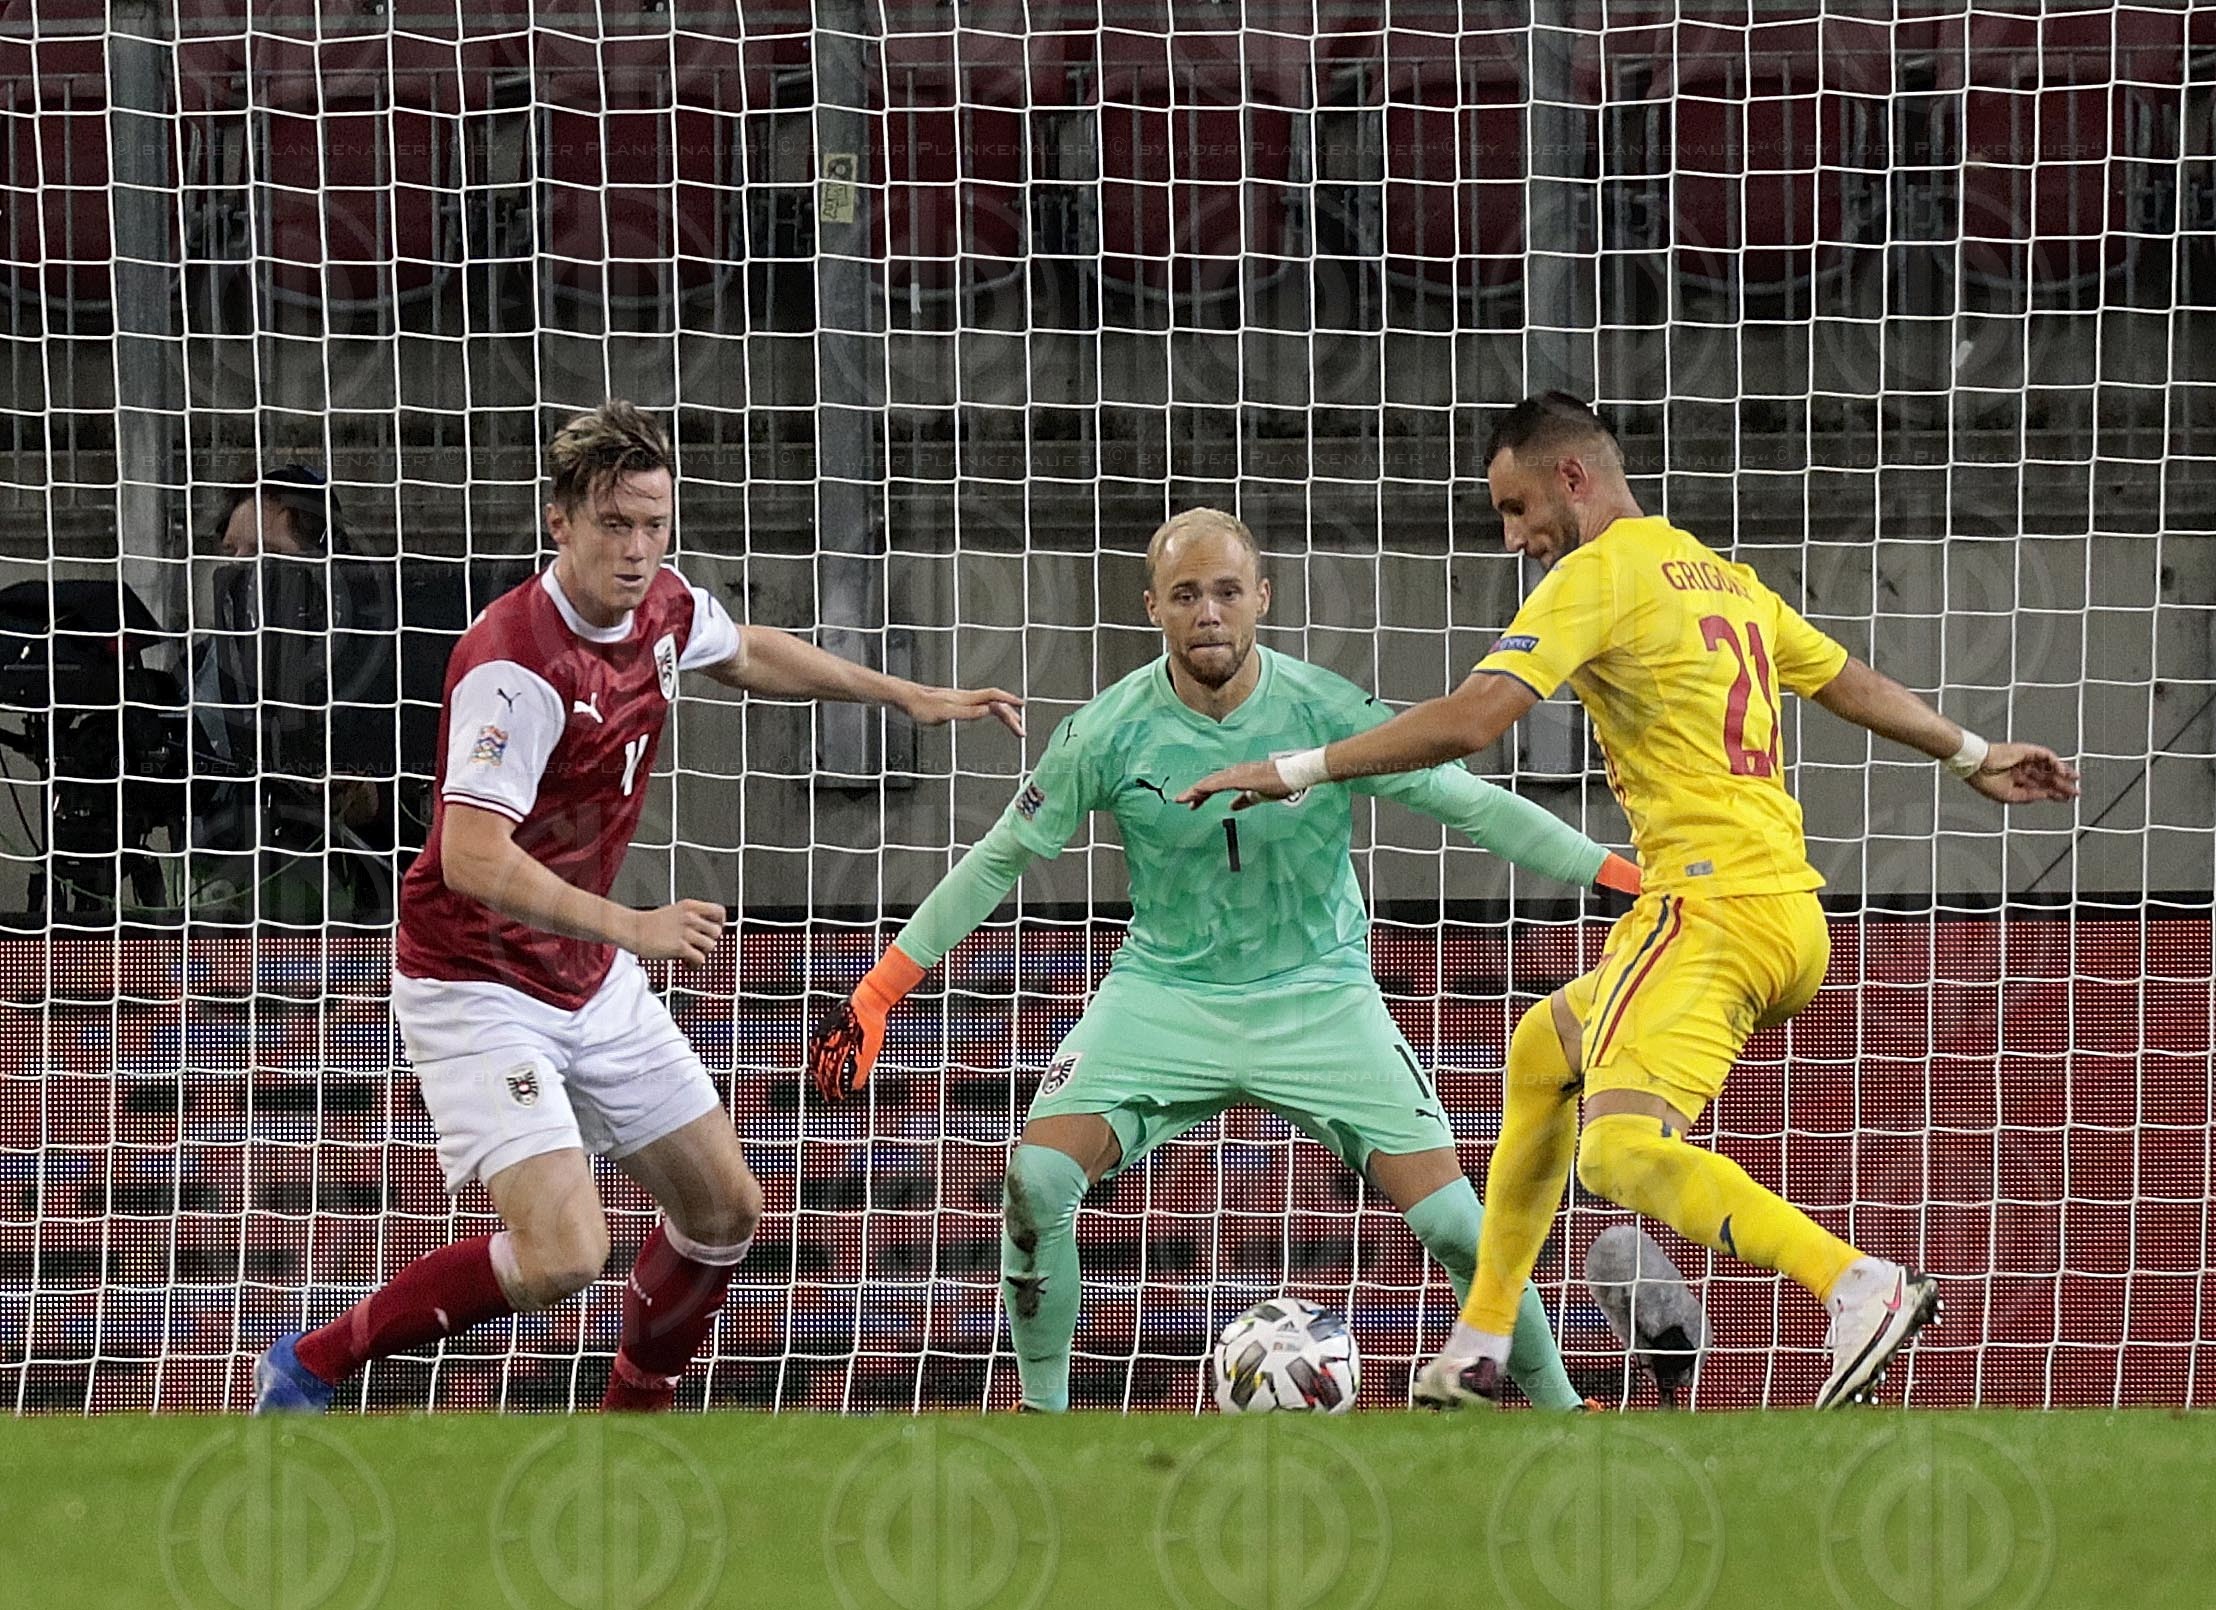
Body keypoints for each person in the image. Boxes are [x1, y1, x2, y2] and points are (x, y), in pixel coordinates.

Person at [1180, 394, 2080, 1410]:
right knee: (1539, 1051)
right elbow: (1846, 679)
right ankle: (1479, 1344)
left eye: (1518, 508)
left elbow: (1477, 717)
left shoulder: (1597, 574)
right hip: (1784, 913)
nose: (1515, 538)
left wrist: (1295, 765)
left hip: (1705, 908)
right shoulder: (1718, 577)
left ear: (1572, 478)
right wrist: (1971, 752)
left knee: (1614, 1151)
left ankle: (1857, 1284)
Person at [253, 401, 1022, 1413]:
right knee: (567, 1249)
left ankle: (633, 1419)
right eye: (614, 522)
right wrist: (636, 928)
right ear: (558, 520)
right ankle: (312, 1360)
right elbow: (472, 855)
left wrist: (903, 696)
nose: (637, 547)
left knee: (724, 1207)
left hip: (581, 972)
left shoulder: (657, 604)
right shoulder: (514, 666)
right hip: (476, 980)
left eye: (654, 523)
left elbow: (746, 650)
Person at [808, 508, 1642, 1413]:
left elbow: (1465, 801)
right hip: (1165, 993)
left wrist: (1613, 870)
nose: (1209, 611)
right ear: (1153, 609)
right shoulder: (1106, 731)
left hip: (1318, 995)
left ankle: (1564, 1414)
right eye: (1186, 594)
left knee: (1455, 1224)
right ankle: (1042, 1418)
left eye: (1227, 591)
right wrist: (882, 988)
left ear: (1262, 600)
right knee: (1035, 1180)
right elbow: (1000, 859)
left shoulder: (1325, 708)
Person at [190, 465, 397, 923]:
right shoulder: (201, 665)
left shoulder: (376, 664)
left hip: (340, 925)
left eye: (266, 552)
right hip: (220, 927)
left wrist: (369, 799)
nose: (244, 568)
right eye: (233, 552)